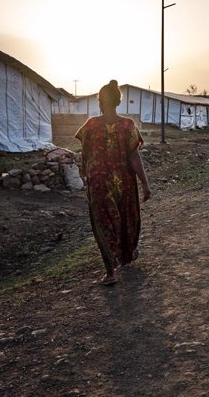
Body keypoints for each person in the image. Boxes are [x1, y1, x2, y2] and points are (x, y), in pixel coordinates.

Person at [75, 80, 151, 286]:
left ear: (100, 102)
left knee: (104, 222)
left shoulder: (90, 125)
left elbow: (86, 153)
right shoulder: (128, 125)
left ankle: (110, 271)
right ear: (118, 101)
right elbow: (134, 157)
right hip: (124, 182)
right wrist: (144, 183)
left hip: (99, 181)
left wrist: (86, 175)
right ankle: (127, 255)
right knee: (127, 219)